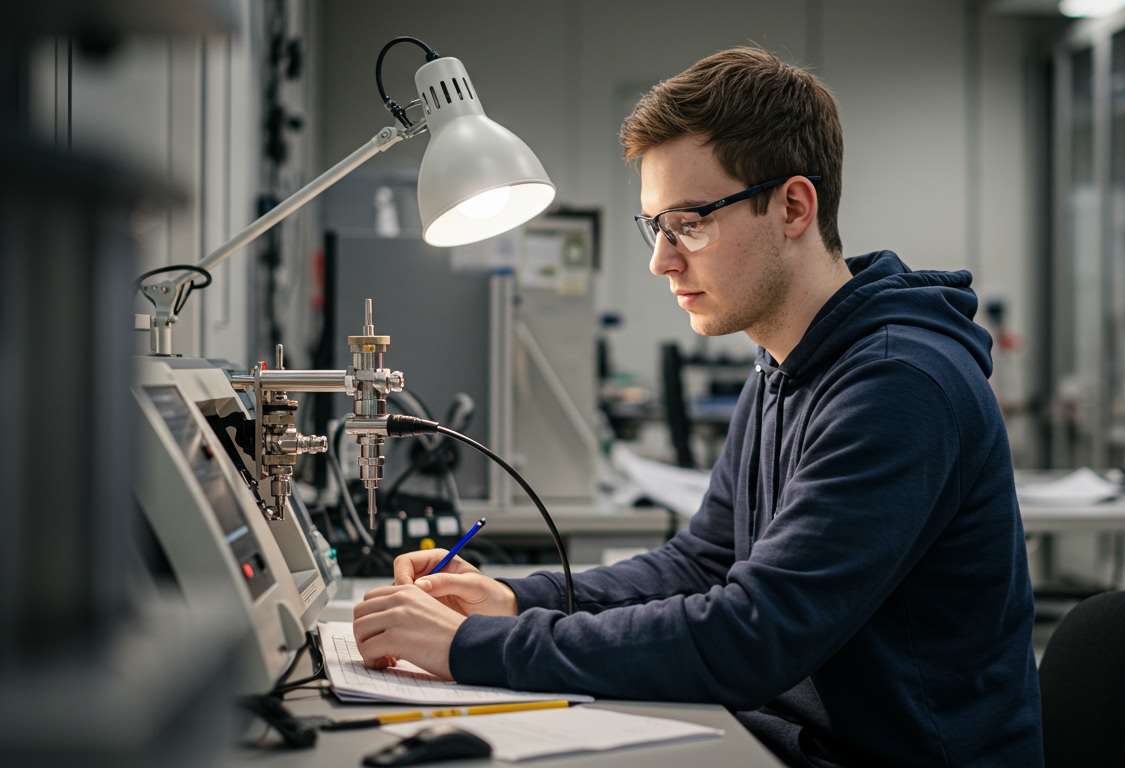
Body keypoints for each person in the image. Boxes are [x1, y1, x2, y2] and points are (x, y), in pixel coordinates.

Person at [352, 47, 1042, 767]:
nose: (662, 260)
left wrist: (470, 648)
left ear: (794, 207)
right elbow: (701, 566)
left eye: (689, 222)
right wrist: (516, 602)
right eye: (655, 226)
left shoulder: (900, 386)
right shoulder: (784, 363)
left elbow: (752, 637)